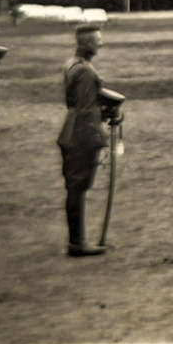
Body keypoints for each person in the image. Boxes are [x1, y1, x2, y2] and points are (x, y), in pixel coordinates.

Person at [58, 24, 113, 257]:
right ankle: (77, 243)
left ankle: (76, 241)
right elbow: (86, 109)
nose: (101, 43)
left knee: (75, 188)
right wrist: (103, 121)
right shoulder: (85, 71)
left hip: (71, 131)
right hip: (82, 136)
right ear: (87, 43)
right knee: (78, 189)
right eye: (98, 40)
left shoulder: (73, 64)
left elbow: (73, 103)